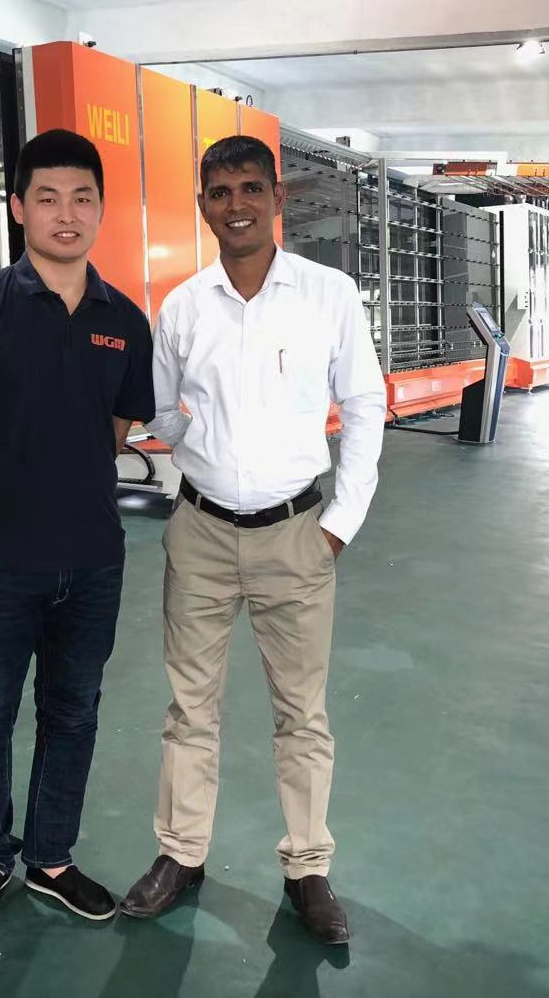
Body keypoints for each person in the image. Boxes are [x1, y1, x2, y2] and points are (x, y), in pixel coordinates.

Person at [119, 135, 386, 945]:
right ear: (203, 204)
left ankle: (307, 868)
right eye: (220, 192)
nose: (235, 205)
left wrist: (339, 524)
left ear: (277, 198)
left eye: (249, 189)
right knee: (188, 709)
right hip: (199, 533)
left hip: (296, 534)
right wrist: (187, 440)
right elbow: (158, 411)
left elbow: (365, 404)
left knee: (301, 713)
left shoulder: (328, 295)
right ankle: (181, 855)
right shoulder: (182, 306)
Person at [0, 129, 155, 928]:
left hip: (92, 558)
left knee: (74, 710)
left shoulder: (124, 320)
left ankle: (52, 857)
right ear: (18, 207)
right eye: (48, 198)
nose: (67, 214)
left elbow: (118, 424)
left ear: (101, 210)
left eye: (82, 198)